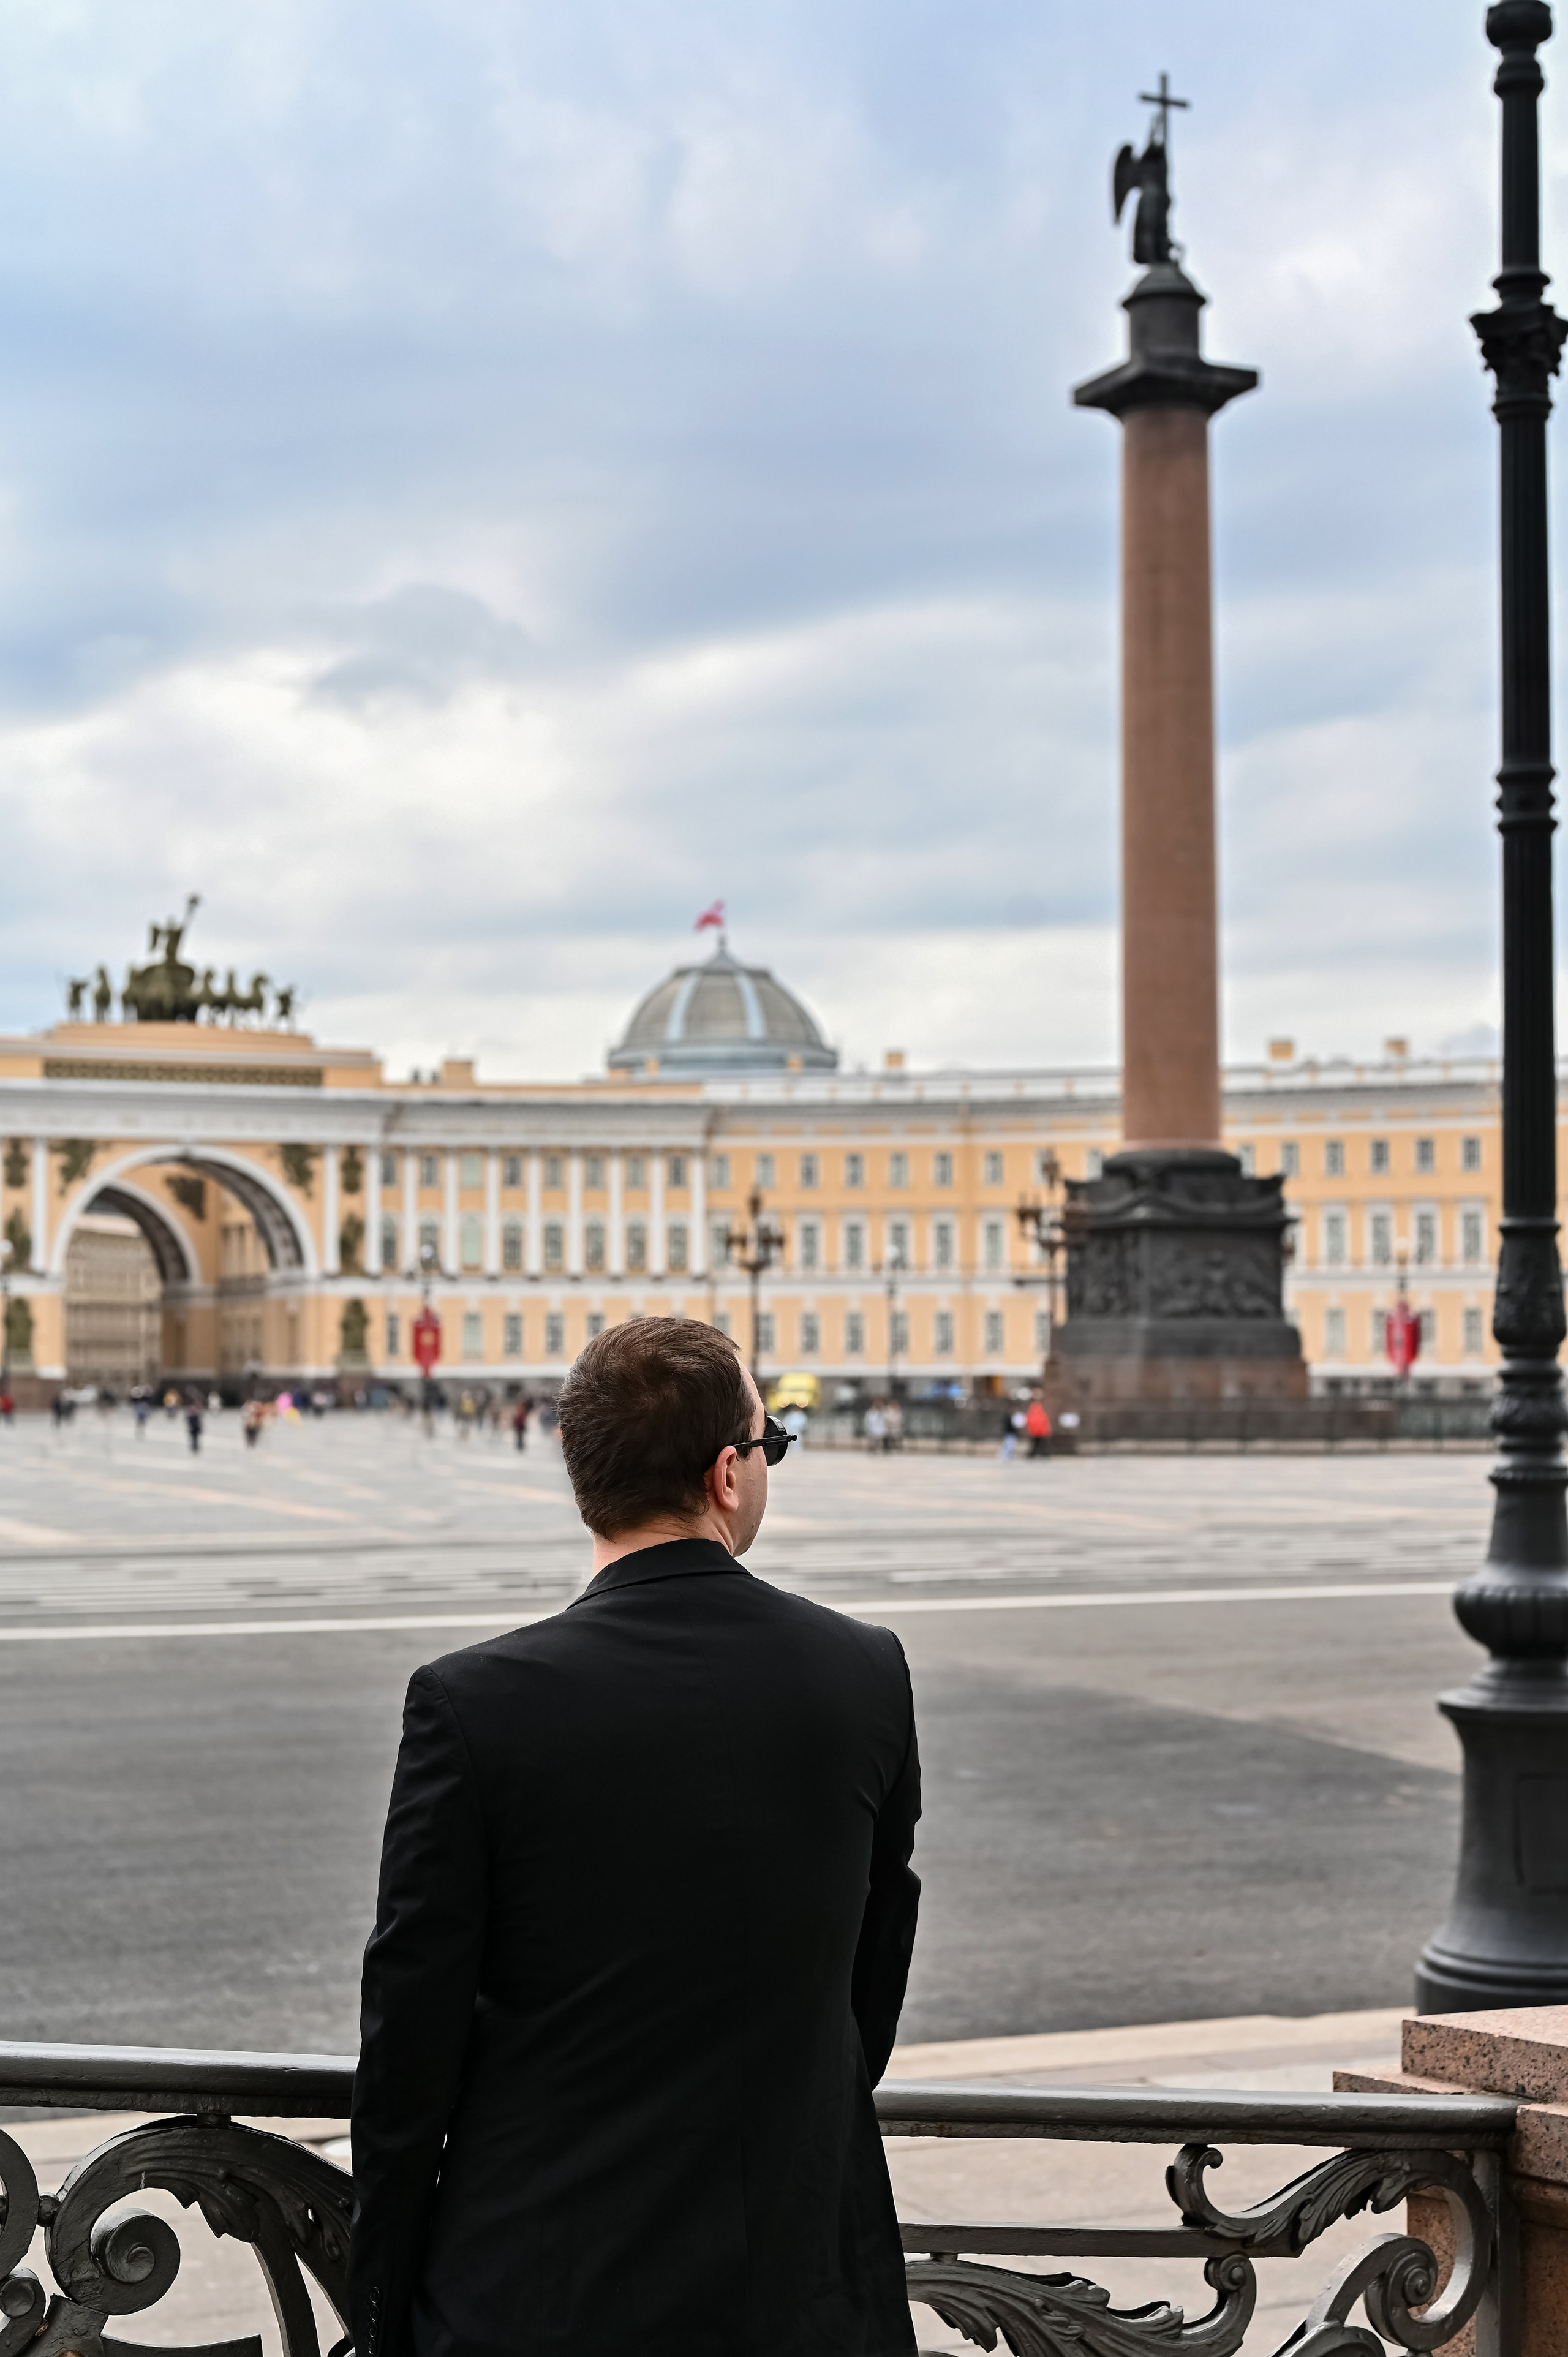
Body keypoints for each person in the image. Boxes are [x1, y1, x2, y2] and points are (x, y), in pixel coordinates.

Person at [352, 1315, 921, 2357]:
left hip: (536, 2292)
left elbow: (408, 2042)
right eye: (769, 1444)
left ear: (585, 1482)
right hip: (798, 2288)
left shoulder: (472, 1704)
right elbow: (866, 1990)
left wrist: (381, 2298)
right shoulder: (863, 1674)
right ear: (726, 1475)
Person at [1024, 1395, 1051, 1460]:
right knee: (1036, 1444)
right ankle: (1035, 1454)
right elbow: (1030, 1421)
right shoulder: (1033, 1410)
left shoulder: (1039, 1410)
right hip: (1036, 1431)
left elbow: (1044, 1421)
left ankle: (1040, 1454)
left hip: (1040, 1431)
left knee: (1039, 1443)